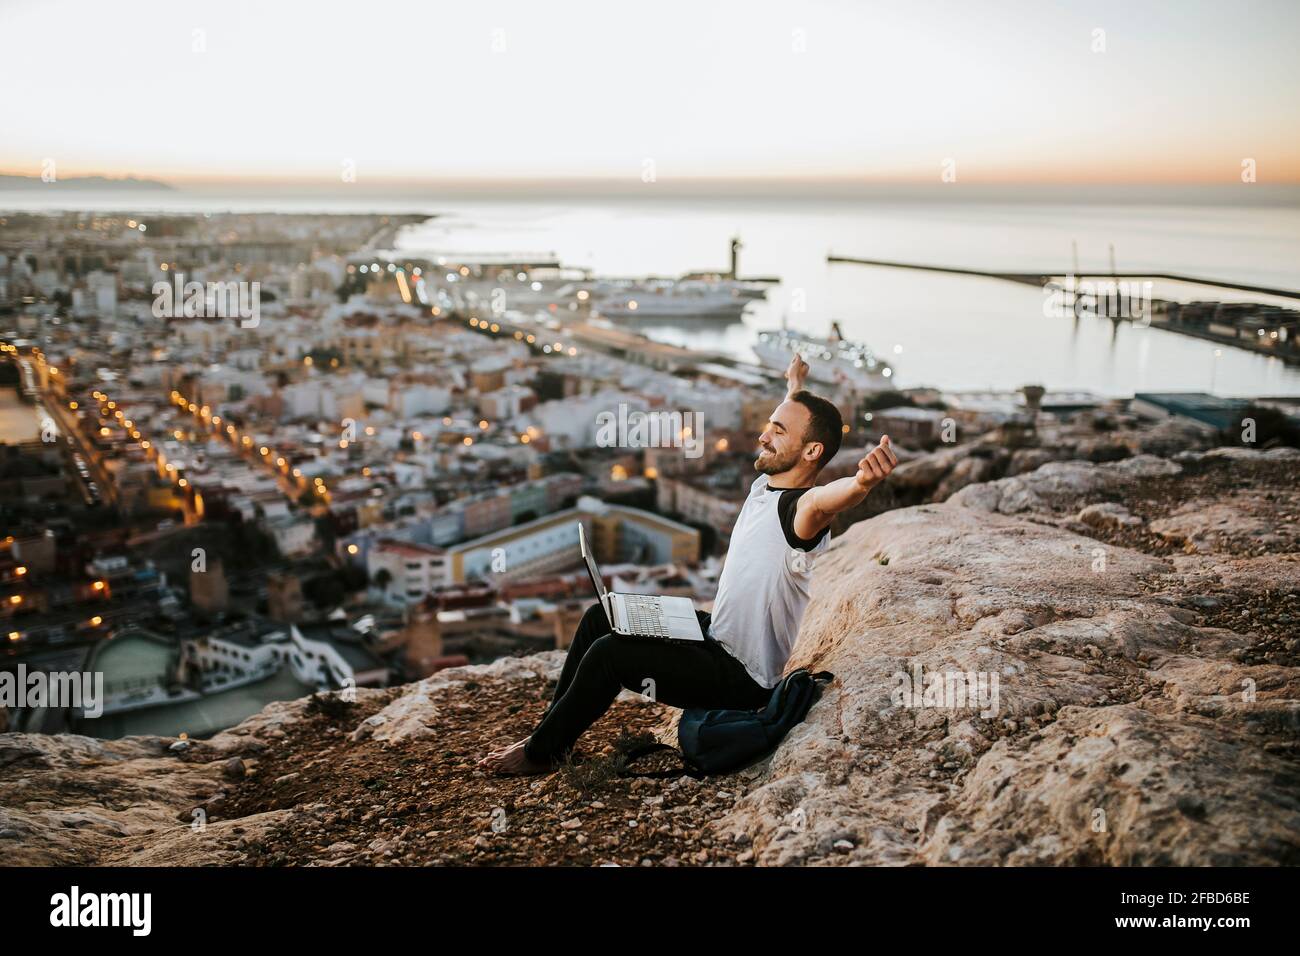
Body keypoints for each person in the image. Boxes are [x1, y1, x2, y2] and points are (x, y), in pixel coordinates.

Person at [479, 352, 898, 774]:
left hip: (740, 678)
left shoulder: (801, 511)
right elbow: (797, 424)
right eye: (768, 425)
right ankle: (550, 736)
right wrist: (794, 386)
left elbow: (829, 498)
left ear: (811, 450)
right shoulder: (767, 484)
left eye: (777, 431)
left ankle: (540, 755)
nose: (763, 437)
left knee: (611, 655)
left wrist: (861, 483)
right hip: (714, 636)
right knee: (600, 618)